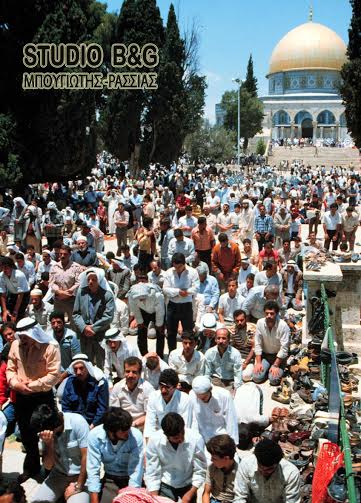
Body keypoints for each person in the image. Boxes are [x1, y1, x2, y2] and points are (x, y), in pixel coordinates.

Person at [6, 317, 61, 481]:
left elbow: (53, 375)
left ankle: (51, 470)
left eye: (25, 337)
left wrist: (33, 385)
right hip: (22, 396)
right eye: (20, 336)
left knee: (46, 434)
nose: (21, 340)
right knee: (26, 434)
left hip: (42, 397)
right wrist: (16, 384)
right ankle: (31, 469)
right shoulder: (16, 345)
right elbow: (10, 369)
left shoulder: (50, 348)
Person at [29, 404, 89, 503]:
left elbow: (87, 457)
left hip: (81, 477)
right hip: (58, 475)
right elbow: (48, 466)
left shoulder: (78, 422)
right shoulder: (45, 434)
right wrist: (49, 444)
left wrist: (78, 486)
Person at [145, 413, 206, 503]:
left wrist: (191, 493)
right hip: (166, 484)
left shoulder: (196, 438)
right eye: (176, 438)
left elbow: (200, 470)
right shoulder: (154, 440)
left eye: (183, 434)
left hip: (188, 484)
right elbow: (153, 472)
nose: (181, 439)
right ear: (166, 435)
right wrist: (155, 498)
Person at [87, 407, 144, 501]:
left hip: (130, 480)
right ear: (111, 431)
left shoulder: (136, 436)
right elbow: (93, 470)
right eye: (123, 431)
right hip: (110, 480)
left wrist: (129, 499)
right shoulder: (94, 436)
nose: (128, 433)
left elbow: (135, 472)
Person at [233, 438, 301, 503]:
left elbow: (291, 500)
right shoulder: (246, 464)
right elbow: (239, 497)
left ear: (277, 463)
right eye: (260, 467)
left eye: (269, 469)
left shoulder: (291, 473)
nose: (263, 471)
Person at [72, 268, 115, 368]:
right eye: (89, 280)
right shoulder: (81, 293)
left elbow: (108, 316)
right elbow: (76, 313)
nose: (90, 282)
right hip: (85, 335)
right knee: (86, 363)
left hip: (100, 334)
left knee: (102, 364)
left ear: (99, 280)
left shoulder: (107, 295)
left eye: (94, 279)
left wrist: (93, 328)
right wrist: (84, 327)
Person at [163, 253, 199, 353]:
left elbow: (196, 288)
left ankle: (189, 353)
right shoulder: (169, 272)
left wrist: (187, 292)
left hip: (186, 306)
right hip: (172, 305)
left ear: (184, 264)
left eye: (179, 267)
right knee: (171, 333)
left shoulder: (192, 272)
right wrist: (178, 291)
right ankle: (172, 353)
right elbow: (165, 289)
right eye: (175, 267)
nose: (177, 269)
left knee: (188, 333)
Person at [144, 369, 194, 440]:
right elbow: (150, 423)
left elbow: (185, 426)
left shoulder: (185, 399)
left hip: (177, 437)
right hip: (158, 436)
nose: (163, 390)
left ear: (175, 387)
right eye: (161, 386)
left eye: (167, 387)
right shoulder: (153, 396)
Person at [61, 354, 109, 429]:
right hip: (75, 425)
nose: (78, 372)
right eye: (75, 369)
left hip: (95, 425)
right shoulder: (70, 382)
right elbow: (65, 406)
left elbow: (102, 409)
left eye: (81, 368)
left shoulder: (100, 382)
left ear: (88, 367)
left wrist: (92, 426)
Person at [190, 376, 238, 445]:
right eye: (199, 397)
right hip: (202, 436)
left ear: (210, 390)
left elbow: (231, 420)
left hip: (221, 435)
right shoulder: (192, 395)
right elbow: (193, 421)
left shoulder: (224, 395)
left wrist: (233, 443)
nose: (201, 400)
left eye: (204, 398)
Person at [110, 356, 154, 430]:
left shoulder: (148, 389)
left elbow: (150, 415)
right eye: (127, 371)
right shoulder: (117, 388)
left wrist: (133, 425)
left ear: (140, 374)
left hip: (142, 428)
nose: (130, 375)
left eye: (134, 372)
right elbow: (115, 412)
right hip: (122, 427)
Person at [252, 301, 290, 386]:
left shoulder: (283, 326)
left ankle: (276, 369)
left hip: (279, 357)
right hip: (266, 356)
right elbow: (257, 343)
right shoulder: (260, 323)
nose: (269, 316)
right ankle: (267, 369)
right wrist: (258, 363)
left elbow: (284, 348)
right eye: (267, 313)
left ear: (276, 313)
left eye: (272, 313)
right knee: (256, 378)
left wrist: (276, 365)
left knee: (274, 380)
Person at [127, 280, 166, 358]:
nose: (140, 299)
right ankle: (144, 354)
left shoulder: (157, 295)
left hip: (156, 311)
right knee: (141, 331)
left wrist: (159, 324)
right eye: (138, 298)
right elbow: (135, 308)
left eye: (143, 297)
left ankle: (159, 355)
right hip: (143, 311)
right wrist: (139, 321)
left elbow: (160, 311)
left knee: (160, 332)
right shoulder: (131, 295)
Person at [49, 244, 82, 323]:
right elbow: (51, 283)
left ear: (70, 254)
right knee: (58, 322)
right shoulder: (54, 267)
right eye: (61, 254)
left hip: (71, 300)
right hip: (58, 300)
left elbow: (78, 282)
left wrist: (69, 291)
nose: (62, 256)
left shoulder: (76, 267)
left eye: (65, 254)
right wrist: (59, 291)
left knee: (74, 323)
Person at [234, 382, 272, 450]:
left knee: (260, 421)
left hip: (255, 388)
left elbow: (271, 419)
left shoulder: (255, 419)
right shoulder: (231, 420)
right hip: (240, 388)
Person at [202, 435, 239, 503]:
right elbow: (206, 493)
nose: (211, 460)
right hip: (215, 500)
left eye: (214, 458)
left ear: (226, 458)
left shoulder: (240, 471)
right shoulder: (212, 468)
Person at [48, 311, 81, 385]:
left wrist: (63, 376)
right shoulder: (48, 337)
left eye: (59, 322)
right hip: (52, 373)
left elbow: (77, 360)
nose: (56, 325)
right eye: (53, 323)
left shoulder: (72, 336)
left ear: (63, 323)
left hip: (69, 373)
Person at [0, 257, 30, 323]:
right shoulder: (1, 276)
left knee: (19, 315)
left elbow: (20, 294)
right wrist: (5, 310)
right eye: (2, 267)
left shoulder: (19, 275)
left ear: (11, 267)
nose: (4, 270)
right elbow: (3, 294)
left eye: (6, 267)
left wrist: (15, 311)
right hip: (12, 294)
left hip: (24, 295)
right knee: (7, 314)